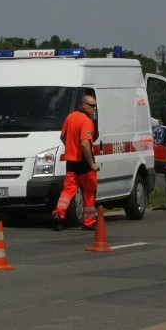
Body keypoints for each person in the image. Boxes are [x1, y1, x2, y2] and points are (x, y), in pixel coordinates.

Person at [52, 94, 100, 231]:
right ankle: (89, 221)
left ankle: (58, 214)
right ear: (83, 105)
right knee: (89, 191)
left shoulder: (70, 117)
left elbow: (63, 136)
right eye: (91, 106)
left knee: (68, 190)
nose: (94, 109)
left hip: (71, 161)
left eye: (95, 106)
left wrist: (70, 148)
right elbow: (85, 144)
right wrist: (92, 164)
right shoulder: (86, 121)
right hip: (84, 162)